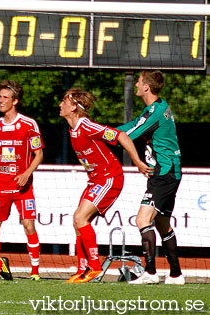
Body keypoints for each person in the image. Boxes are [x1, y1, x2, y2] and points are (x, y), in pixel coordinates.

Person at [59, 88, 151, 283]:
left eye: (64, 102)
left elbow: (121, 136)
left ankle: (94, 268)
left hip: (109, 177)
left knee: (80, 217)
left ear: (74, 107)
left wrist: (138, 162)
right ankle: (82, 269)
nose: (60, 105)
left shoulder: (87, 126)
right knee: (78, 222)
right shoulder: (73, 129)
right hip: (95, 179)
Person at [117, 71, 184, 285]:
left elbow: (129, 133)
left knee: (142, 220)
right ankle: (176, 275)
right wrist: (105, 132)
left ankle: (151, 272)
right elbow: (130, 126)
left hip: (164, 173)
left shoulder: (156, 111)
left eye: (139, 81)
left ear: (146, 87)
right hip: (167, 172)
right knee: (163, 224)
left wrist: (100, 134)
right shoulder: (156, 108)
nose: (136, 84)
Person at [0, 80, 43, 280]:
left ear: (15, 101)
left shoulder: (28, 124)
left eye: (5, 97)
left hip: (23, 187)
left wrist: (26, 174)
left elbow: (39, 154)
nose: (1, 101)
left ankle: (34, 272)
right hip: (1, 185)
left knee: (28, 225)